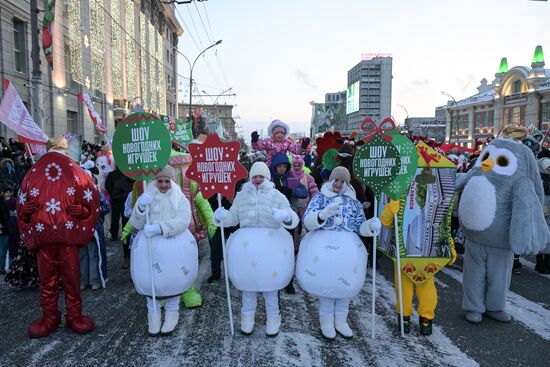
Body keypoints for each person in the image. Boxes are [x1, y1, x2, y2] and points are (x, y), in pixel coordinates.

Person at [17, 136, 100, 338]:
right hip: (62, 238)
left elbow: (90, 201)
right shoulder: (75, 171)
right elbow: (91, 201)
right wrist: (83, 212)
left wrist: (81, 211)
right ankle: (67, 316)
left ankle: (54, 316)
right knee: (67, 279)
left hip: (48, 238)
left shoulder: (34, 172)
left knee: (51, 280)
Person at [214, 161, 299, 337]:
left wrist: (285, 217)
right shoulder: (241, 196)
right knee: (248, 285)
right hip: (247, 248)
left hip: (272, 247)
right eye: (255, 176)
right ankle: (247, 318)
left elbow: (291, 216)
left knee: (271, 286)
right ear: (250, 178)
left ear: (267, 177)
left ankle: (274, 318)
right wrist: (222, 217)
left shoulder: (276, 195)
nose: (258, 179)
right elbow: (234, 218)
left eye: (261, 176)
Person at [296, 167, 381, 339]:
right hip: (323, 247)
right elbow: (307, 221)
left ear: (347, 184)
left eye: (343, 181)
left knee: (345, 284)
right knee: (328, 283)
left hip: (348, 250)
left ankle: (341, 320)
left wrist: (371, 226)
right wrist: (322, 215)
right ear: (331, 180)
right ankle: (326, 321)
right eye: (336, 180)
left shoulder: (354, 202)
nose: (338, 184)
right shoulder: (320, 197)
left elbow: (360, 226)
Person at [129, 166, 197, 336]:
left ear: (172, 182)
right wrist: (141, 208)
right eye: (160, 181)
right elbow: (136, 223)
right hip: (148, 246)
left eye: (167, 181)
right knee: (150, 280)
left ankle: (172, 314)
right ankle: (153, 315)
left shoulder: (179, 197)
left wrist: (160, 228)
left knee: (173, 279)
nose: (164, 185)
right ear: (155, 181)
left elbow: (183, 220)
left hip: (174, 246)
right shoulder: (147, 195)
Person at [105, 166, 134, 267]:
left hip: (140, 215)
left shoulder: (142, 182)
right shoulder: (121, 182)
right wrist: (128, 195)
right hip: (126, 214)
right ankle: (127, 258)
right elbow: (114, 196)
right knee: (126, 236)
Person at [0, 185, 12, 273]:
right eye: (6, 192)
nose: (8, 194)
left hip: (12, 229)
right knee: (3, 251)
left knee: (12, 250)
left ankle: (11, 267)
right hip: (3, 230)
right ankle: (1, 268)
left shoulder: (13, 202)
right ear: (2, 193)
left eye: (9, 192)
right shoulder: (0, 203)